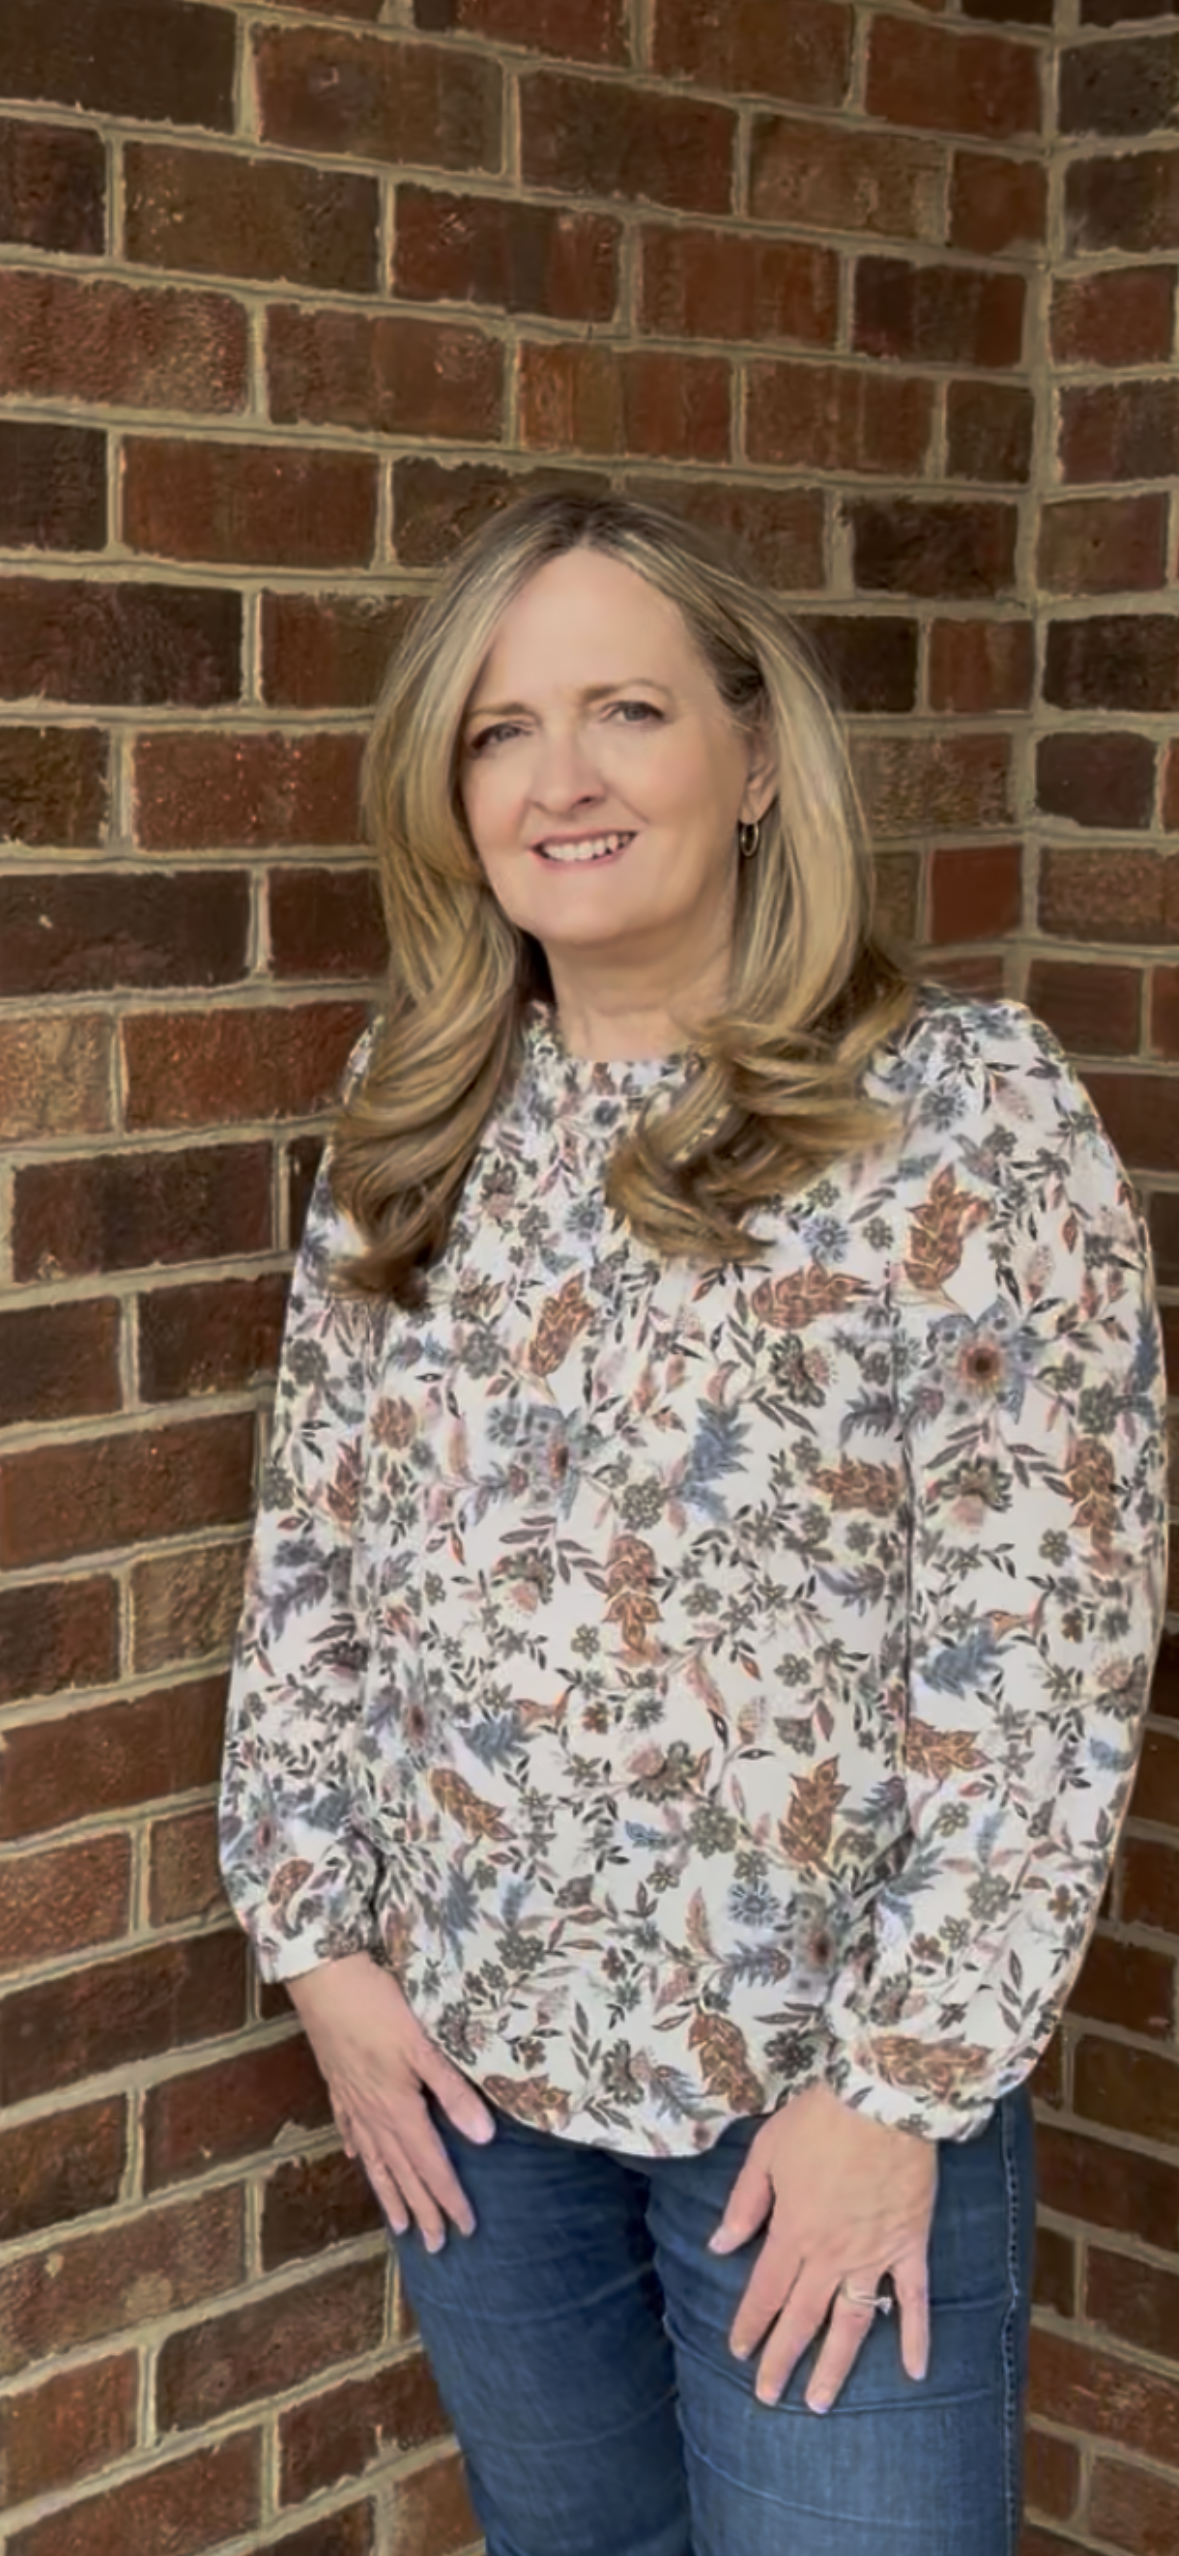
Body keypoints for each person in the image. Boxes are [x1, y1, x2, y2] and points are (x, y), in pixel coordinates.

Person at [220, 491, 1167, 2556]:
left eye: (623, 711)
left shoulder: (966, 1120)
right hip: (477, 2086)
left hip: (812, 2110)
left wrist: (898, 2089)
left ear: (752, 759)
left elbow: (1045, 1650)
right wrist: (320, 1947)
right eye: (495, 730)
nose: (555, 782)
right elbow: (311, 1554)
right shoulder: (421, 1106)